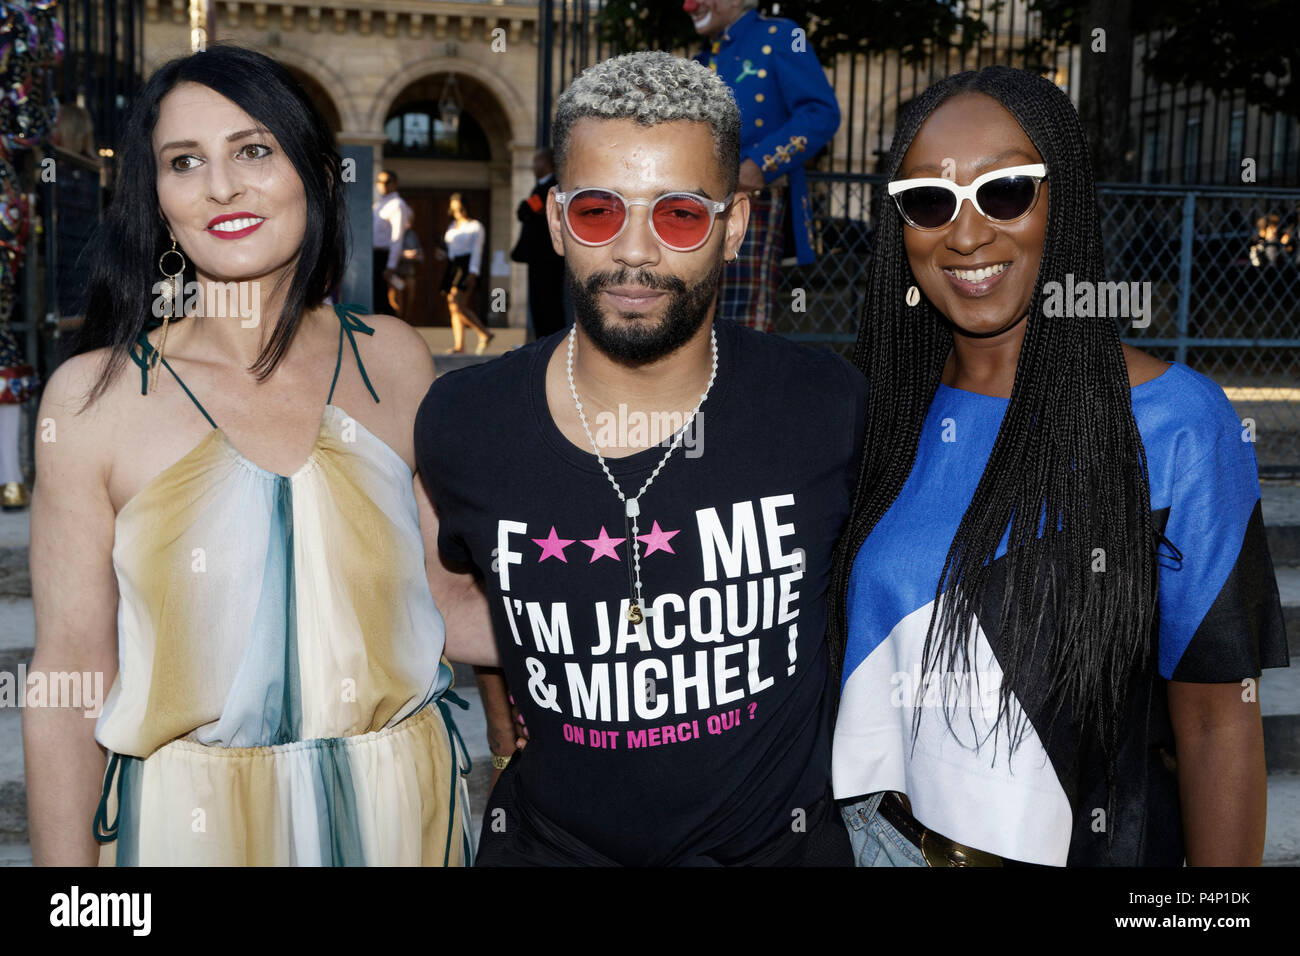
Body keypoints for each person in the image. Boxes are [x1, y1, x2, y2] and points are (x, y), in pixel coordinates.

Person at [24, 45, 495, 866]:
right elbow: (69, 677)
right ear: (158, 199)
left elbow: (447, 596)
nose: (220, 186)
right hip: (191, 830)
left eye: (252, 150)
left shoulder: (390, 357)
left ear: (314, 173)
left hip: (404, 820)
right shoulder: (92, 399)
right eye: (184, 162)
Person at [827, 66, 1289, 867]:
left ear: (1063, 199)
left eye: (1006, 191)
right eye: (930, 201)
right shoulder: (869, 408)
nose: (966, 235)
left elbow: (1218, 723)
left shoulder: (1179, 424)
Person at [416, 51, 868, 866]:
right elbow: (443, 597)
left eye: (680, 215)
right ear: (555, 221)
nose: (634, 252)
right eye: (598, 211)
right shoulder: (465, 421)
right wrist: (514, 680)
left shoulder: (825, 408)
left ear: (732, 228)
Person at [685, 0, 839, 333]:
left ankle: (743, 386)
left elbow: (820, 113)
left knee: (742, 319)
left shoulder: (782, 35)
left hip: (752, 200)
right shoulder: (703, 58)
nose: (689, 4)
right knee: (693, 314)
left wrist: (760, 165)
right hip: (699, 202)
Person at [511, 147, 567, 339]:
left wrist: (529, 208)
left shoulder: (550, 186)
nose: (533, 165)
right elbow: (523, 210)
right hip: (540, 255)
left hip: (546, 255)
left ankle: (550, 340)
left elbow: (526, 208)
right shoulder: (541, 187)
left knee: (546, 301)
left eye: (536, 161)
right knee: (540, 301)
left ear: (545, 163)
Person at [442, 192, 493, 354]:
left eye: (459, 206)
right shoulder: (452, 226)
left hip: (467, 267)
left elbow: (477, 250)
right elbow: (451, 249)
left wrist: (473, 272)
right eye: (454, 207)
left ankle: (483, 332)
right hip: (453, 266)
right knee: (453, 307)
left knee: (457, 303)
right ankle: (460, 345)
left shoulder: (475, 226)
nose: (457, 210)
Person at [372, 168, 412, 316]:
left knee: (384, 303)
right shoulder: (378, 204)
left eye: (387, 182)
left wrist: (391, 266)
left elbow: (397, 237)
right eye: (379, 181)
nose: (383, 185)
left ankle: (395, 335)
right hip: (374, 256)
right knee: (377, 301)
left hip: (385, 257)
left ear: (395, 184)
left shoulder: (398, 204)